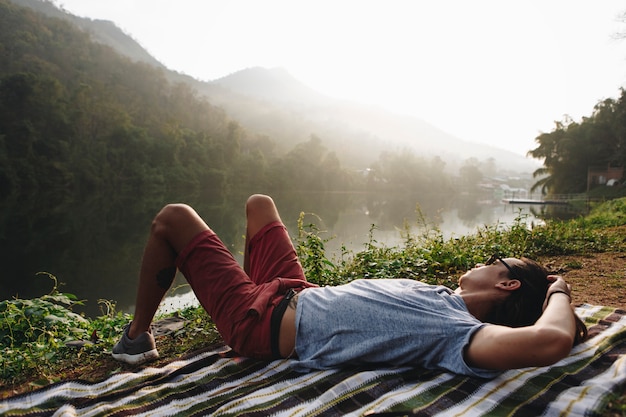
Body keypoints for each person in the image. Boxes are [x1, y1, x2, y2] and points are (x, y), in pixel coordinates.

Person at [112, 194, 587, 377]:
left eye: (493, 260)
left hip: (260, 322)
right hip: (294, 291)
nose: (483, 261)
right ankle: (230, 287)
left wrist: (559, 289)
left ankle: (137, 338)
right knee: (259, 204)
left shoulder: (455, 331)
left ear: (506, 284)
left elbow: (548, 340)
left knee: (173, 218)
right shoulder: (441, 298)